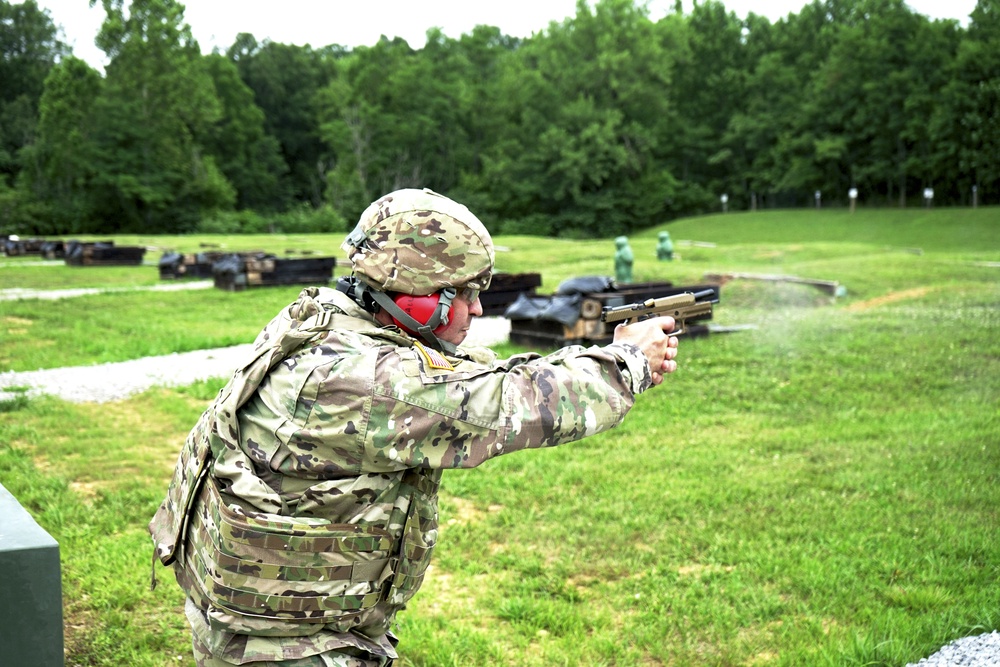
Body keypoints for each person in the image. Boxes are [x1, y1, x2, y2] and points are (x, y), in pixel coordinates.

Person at [149, 188, 679, 666]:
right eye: (464, 293)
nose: (476, 309)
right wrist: (627, 363)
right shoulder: (367, 381)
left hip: (265, 621)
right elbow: (499, 405)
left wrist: (605, 351)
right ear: (415, 299)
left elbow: (462, 372)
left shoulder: (327, 316)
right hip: (290, 646)